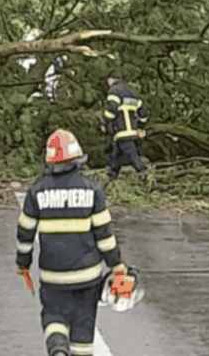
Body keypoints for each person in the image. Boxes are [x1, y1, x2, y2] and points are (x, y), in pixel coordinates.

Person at [16, 128, 131, 356]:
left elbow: (25, 232)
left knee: (53, 316)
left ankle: (58, 349)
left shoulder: (37, 191)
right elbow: (104, 234)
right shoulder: (92, 189)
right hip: (88, 277)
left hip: (53, 276)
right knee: (83, 324)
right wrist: (117, 265)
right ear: (78, 157)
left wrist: (23, 263)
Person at [100, 68, 148, 181]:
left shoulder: (114, 91)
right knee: (116, 156)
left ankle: (144, 173)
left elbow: (111, 109)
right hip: (133, 131)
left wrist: (104, 122)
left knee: (132, 155)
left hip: (122, 131)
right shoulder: (132, 92)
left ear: (111, 80)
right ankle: (111, 178)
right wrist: (141, 126)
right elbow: (143, 111)